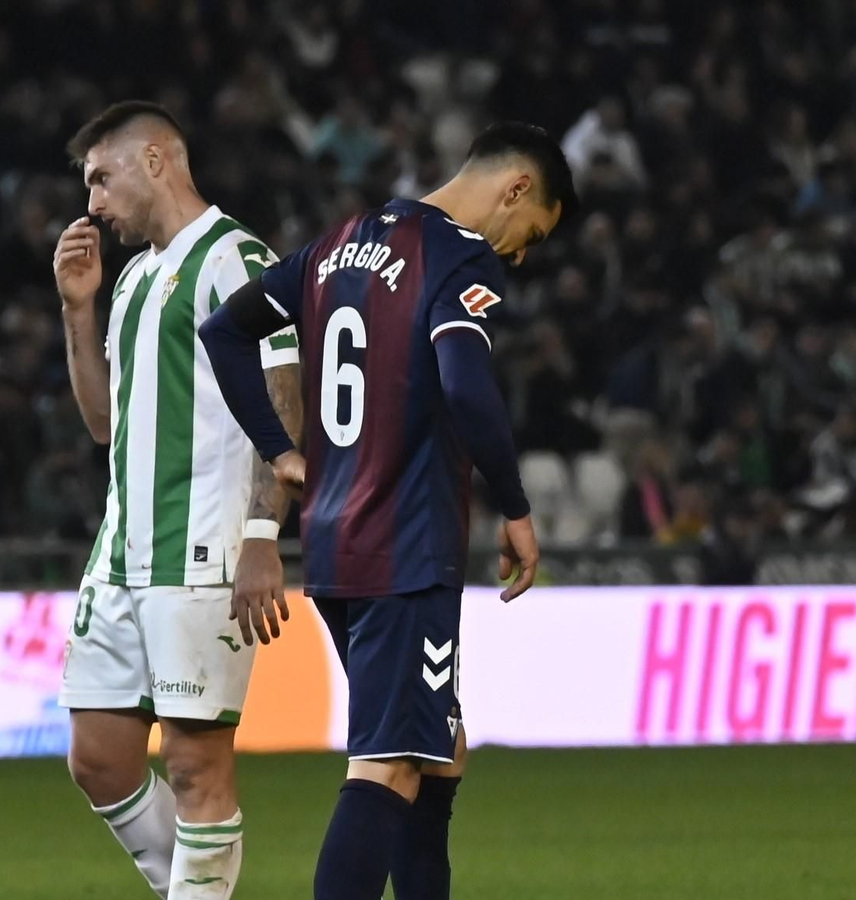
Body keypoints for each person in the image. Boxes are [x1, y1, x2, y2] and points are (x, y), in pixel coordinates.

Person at [199, 121, 576, 900]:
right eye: (531, 231)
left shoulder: (337, 248)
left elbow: (224, 332)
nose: (519, 253)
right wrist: (513, 506)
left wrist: (280, 450)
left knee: (440, 750)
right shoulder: (456, 254)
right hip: (406, 544)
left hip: (337, 544)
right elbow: (467, 383)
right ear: (514, 190)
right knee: (390, 763)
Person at [52, 101, 302, 900]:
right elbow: (102, 421)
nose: (91, 202)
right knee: (98, 757)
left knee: (195, 764)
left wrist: (263, 534)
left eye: (102, 177)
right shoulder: (133, 277)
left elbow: (284, 398)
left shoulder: (237, 260)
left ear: (156, 160)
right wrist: (77, 308)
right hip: (122, 549)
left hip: (203, 545)